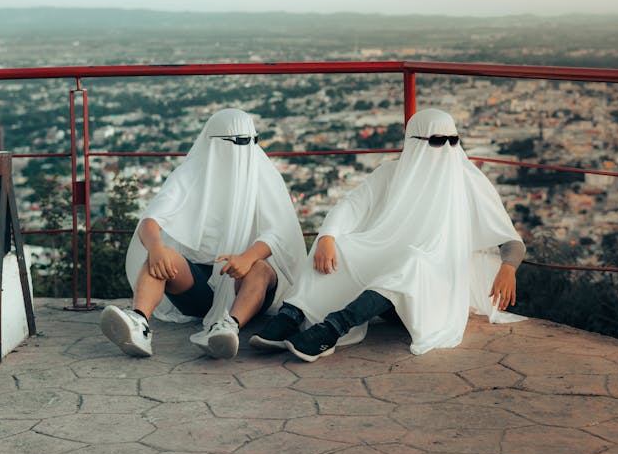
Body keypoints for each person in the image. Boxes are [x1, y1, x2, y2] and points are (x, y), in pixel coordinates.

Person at [252, 107, 526, 362]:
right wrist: (326, 237)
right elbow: (351, 205)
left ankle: (331, 330)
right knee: (340, 245)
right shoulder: (391, 173)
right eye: (436, 141)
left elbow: (510, 239)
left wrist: (508, 268)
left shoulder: (469, 181)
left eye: (453, 141)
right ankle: (292, 315)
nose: (446, 148)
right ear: (415, 141)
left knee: (413, 262)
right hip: (385, 284)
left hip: (432, 290)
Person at [100, 108, 306, 360]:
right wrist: (155, 249)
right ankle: (139, 322)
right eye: (239, 142)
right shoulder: (190, 174)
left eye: (252, 140)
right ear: (215, 142)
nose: (246, 148)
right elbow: (150, 221)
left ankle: (228, 326)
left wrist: (247, 257)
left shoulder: (264, 176)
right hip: (197, 285)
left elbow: (280, 232)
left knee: (260, 269)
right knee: (162, 255)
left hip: (246, 284)